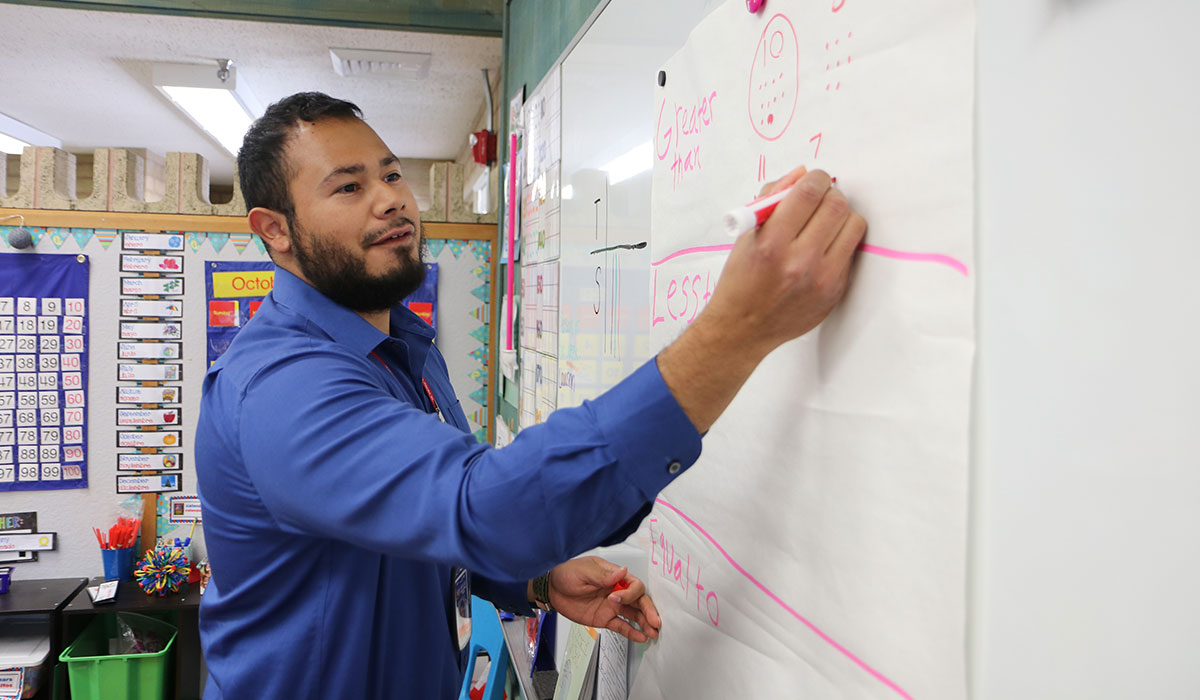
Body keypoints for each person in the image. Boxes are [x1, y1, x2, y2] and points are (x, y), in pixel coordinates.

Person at [195, 92, 866, 699]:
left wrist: (534, 580)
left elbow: (406, 526)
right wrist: (734, 333)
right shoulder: (280, 391)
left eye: (392, 173)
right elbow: (479, 506)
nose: (390, 199)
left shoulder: (401, 344)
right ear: (275, 231)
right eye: (348, 187)